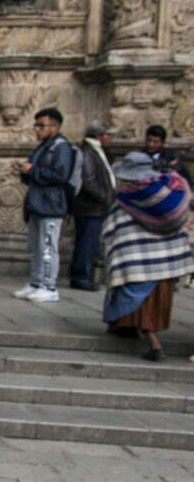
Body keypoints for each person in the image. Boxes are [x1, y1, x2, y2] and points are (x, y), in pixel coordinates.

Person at [101, 151, 194, 362]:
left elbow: (115, 225)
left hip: (138, 263)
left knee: (142, 306)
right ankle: (123, 326)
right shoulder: (172, 190)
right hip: (166, 263)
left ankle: (155, 345)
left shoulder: (129, 196)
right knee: (154, 305)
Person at [14, 107, 75, 303]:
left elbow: (60, 175)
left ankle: (49, 286)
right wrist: (26, 172)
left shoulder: (61, 147)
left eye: (42, 125)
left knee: (48, 247)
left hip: (51, 205)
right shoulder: (44, 147)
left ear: (55, 126)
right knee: (36, 246)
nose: (38, 130)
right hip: (37, 203)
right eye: (36, 125)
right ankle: (37, 281)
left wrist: (33, 171)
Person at [70, 120, 117, 291]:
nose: (109, 138)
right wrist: (105, 198)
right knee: (87, 243)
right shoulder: (89, 152)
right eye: (107, 134)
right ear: (98, 135)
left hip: (94, 207)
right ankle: (80, 276)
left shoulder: (97, 151)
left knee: (90, 242)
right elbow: (88, 182)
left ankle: (83, 274)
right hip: (90, 207)